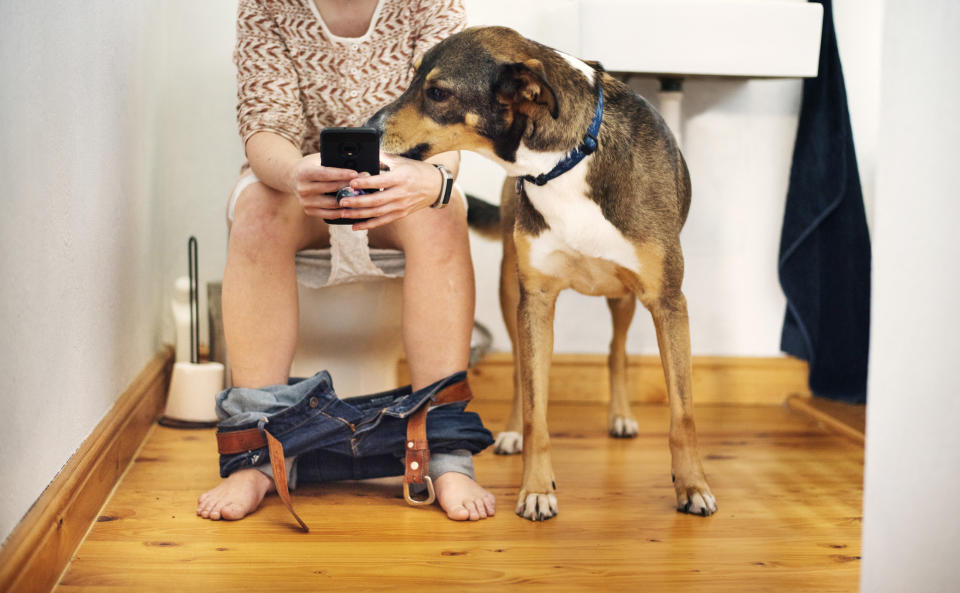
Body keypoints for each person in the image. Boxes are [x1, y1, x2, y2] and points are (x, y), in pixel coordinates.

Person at [196, 0, 496, 522]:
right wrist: (296, 175)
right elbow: (265, 126)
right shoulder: (266, 6)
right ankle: (254, 455)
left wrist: (433, 178)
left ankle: (445, 448)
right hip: (298, 186)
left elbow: (448, 122)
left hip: (398, 183)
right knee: (257, 216)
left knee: (441, 215)